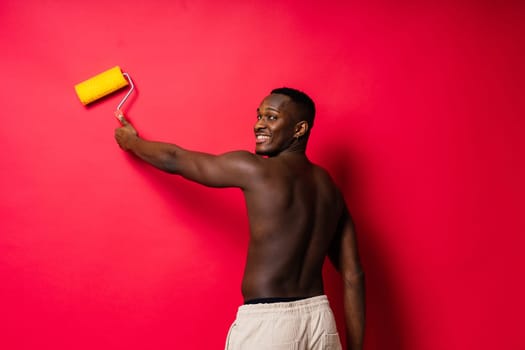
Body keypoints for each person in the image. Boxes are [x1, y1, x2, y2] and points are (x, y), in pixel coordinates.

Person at [114, 87, 365, 350]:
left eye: (271, 117)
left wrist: (131, 141)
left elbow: (176, 159)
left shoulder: (255, 170)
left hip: (270, 326)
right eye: (259, 116)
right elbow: (353, 276)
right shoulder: (330, 190)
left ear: (299, 129)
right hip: (320, 322)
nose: (259, 124)